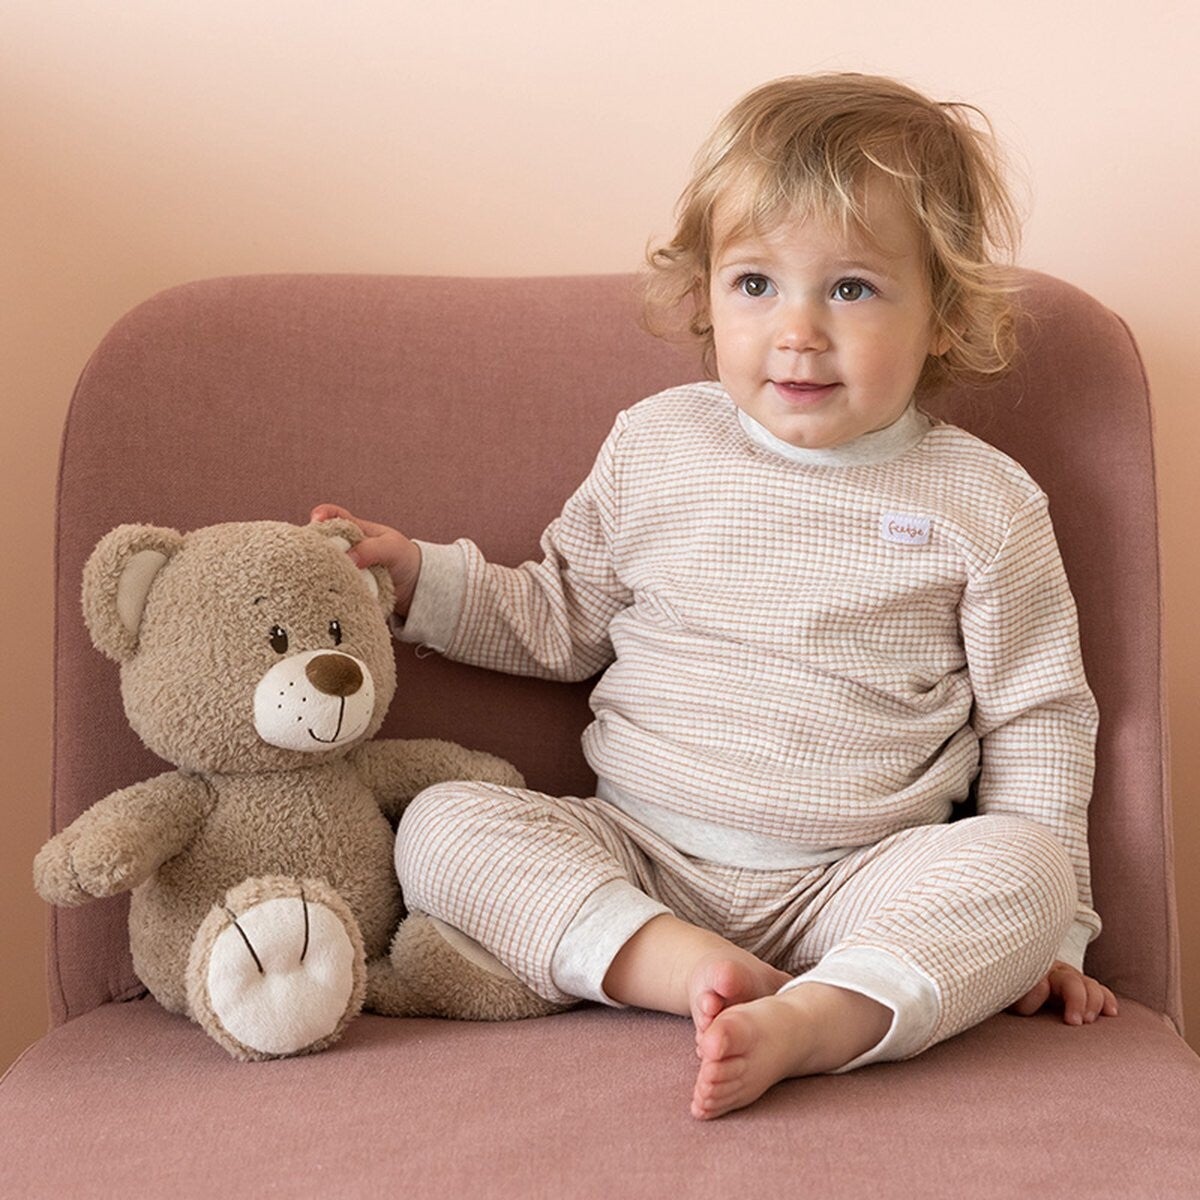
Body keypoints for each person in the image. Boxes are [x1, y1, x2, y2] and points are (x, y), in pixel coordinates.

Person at [313, 72, 1117, 1120]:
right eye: (755, 283)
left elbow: (1038, 719)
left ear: (942, 317)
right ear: (704, 294)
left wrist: (1058, 934)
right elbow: (561, 615)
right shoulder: (658, 444)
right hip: (639, 853)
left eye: (852, 289)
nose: (798, 330)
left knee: (1027, 869)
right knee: (441, 825)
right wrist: (422, 579)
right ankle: (685, 968)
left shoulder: (985, 502)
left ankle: (820, 1018)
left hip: (860, 878)